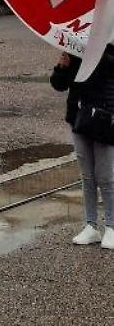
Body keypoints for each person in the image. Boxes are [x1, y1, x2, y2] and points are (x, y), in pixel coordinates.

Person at [51, 44, 114, 249]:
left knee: (105, 177)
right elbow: (59, 85)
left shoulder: (109, 48)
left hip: (104, 117)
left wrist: (95, 55)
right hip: (78, 117)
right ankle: (91, 225)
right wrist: (62, 67)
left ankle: (112, 227)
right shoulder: (75, 46)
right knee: (87, 176)